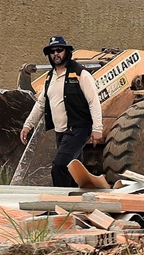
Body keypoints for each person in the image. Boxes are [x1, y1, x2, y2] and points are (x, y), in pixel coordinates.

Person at [20, 36, 104, 187]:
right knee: (73, 170)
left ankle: (61, 202)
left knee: (59, 166)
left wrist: (97, 128)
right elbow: (41, 103)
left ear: (67, 51)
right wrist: (28, 125)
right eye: (52, 51)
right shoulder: (49, 77)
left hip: (78, 129)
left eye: (59, 50)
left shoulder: (80, 74)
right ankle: (75, 203)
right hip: (61, 132)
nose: (56, 54)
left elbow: (94, 101)